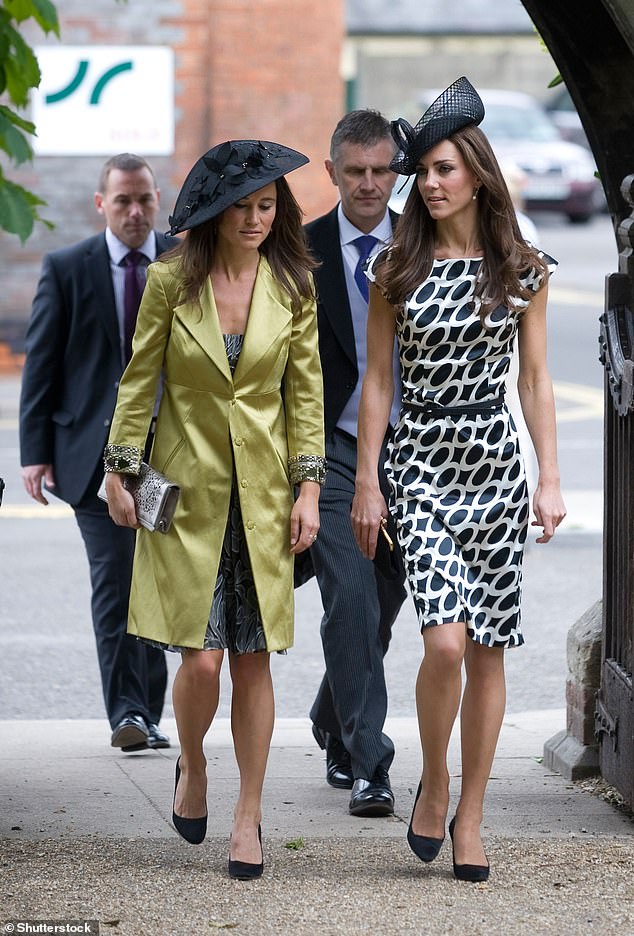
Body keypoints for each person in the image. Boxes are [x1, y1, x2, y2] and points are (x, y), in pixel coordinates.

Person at [351, 77, 566, 881]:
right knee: (442, 641)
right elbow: (377, 381)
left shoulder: (524, 269)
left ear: (476, 172)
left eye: (444, 170)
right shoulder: (392, 267)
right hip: (421, 467)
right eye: (424, 174)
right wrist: (368, 481)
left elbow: (537, 382)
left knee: (487, 650)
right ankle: (434, 779)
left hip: (496, 470)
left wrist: (549, 478)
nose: (430, 185)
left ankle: (471, 813)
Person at [103, 139, 325, 879]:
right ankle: (192, 765)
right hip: (187, 494)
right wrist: (119, 471)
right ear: (216, 213)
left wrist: (308, 490)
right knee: (199, 662)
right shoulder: (171, 281)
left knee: (254, 662)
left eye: (268, 206)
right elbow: (139, 382)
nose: (258, 219)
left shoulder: (292, 284)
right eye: (245, 208)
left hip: (263, 500)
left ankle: (248, 817)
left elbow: (305, 396)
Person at [20, 153, 174, 752]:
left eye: (144, 200)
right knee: (114, 583)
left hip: (165, 458)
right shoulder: (67, 268)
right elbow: (43, 362)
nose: (135, 213)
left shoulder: (183, 262)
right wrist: (36, 451)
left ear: (157, 198)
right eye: (122, 202)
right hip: (89, 457)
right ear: (100, 204)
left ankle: (150, 713)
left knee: (157, 585)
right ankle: (127, 714)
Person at [301, 110, 407, 817]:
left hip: (413, 449)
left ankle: (333, 717)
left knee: (388, 597)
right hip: (330, 449)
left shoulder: (427, 240)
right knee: (351, 595)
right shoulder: (298, 251)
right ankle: (371, 764)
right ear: (331, 170)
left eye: (381, 170)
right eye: (356, 171)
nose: (369, 185)